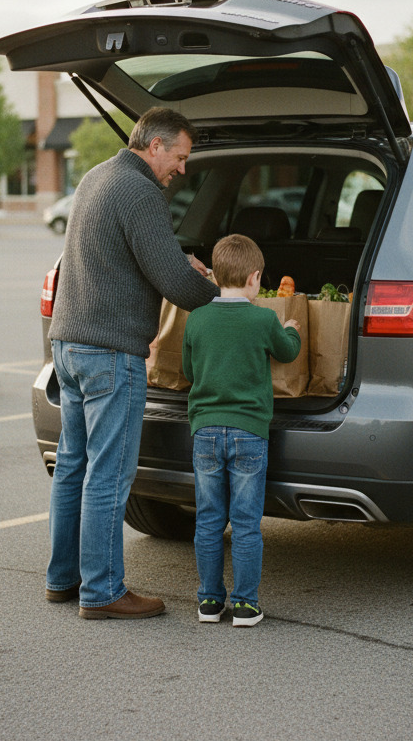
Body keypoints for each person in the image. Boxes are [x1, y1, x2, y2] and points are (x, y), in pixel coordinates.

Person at [46, 107, 219, 620]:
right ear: (156, 145)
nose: (182, 170)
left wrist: (175, 259)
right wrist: (229, 298)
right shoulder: (140, 191)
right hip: (109, 353)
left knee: (73, 468)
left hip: (69, 346)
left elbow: (123, 258)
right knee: (109, 473)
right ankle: (102, 592)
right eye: (181, 158)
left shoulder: (98, 176)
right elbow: (177, 283)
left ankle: (64, 579)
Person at [182, 234, 301, 627]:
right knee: (247, 522)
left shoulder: (197, 318)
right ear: (255, 278)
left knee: (209, 519)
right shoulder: (264, 318)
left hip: (205, 433)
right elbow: (287, 352)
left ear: (215, 275)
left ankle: (209, 602)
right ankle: (246, 605)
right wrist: (293, 329)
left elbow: (188, 371)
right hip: (250, 432)